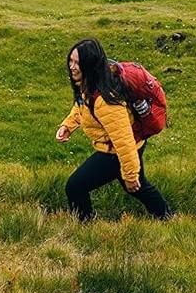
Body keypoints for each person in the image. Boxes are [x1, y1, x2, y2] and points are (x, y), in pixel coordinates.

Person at [57, 37, 172, 221]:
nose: (72, 67)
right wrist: (68, 126)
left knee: (75, 186)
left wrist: (130, 174)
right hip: (123, 147)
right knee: (138, 188)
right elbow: (83, 107)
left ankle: (85, 227)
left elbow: (124, 140)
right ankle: (167, 217)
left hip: (116, 152)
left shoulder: (105, 100)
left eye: (78, 63)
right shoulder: (90, 84)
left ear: (90, 64)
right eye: (70, 61)